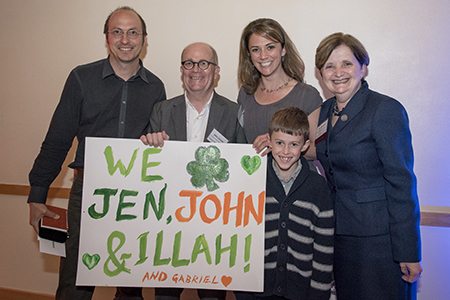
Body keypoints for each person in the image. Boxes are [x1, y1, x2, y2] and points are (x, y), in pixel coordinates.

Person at [27, 6, 166, 300]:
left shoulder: (156, 88)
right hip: (86, 192)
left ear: (144, 39)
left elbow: (161, 150)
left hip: (135, 196)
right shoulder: (81, 78)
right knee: (75, 282)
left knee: (131, 282)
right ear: (107, 38)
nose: (125, 39)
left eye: (133, 32)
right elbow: (57, 140)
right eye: (117, 31)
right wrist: (37, 195)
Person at [314, 32, 422, 300]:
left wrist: (408, 252)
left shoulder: (384, 110)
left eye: (347, 64)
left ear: (363, 68)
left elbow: (401, 183)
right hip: (340, 238)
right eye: (329, 66)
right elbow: (301, 142)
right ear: (321, 73)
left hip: (379, 243)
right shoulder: (326, 111)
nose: (338, 72)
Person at [140, 42, 246, 300]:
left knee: (211, 296)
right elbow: (147, 170)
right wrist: (149, 145)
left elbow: (243, 170)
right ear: (181, 69)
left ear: (216, 70)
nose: (195, 69)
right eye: (189, 63)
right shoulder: (162, 110)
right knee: (164, 294)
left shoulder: (233, 112)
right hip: (168, 224)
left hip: (214, 224)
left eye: (203, 63)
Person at [234, 107, 334, 300]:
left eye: (294, 144)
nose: (286, 151)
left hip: (301, 292)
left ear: (305, 146)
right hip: (256, 290)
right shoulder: (253, 180)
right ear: (269, 141)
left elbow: (324, 249)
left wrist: (319, 295)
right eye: (279, 143)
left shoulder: (318, 188)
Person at [237, 18, 322, 161]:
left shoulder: (307, 95)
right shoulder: (245, 94)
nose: (263, 56)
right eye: (256, 49)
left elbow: (318, 151)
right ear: (249, 55)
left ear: (283, 49)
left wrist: (282, 146)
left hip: (297, 182)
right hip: (258, 181)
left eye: (270, 47)